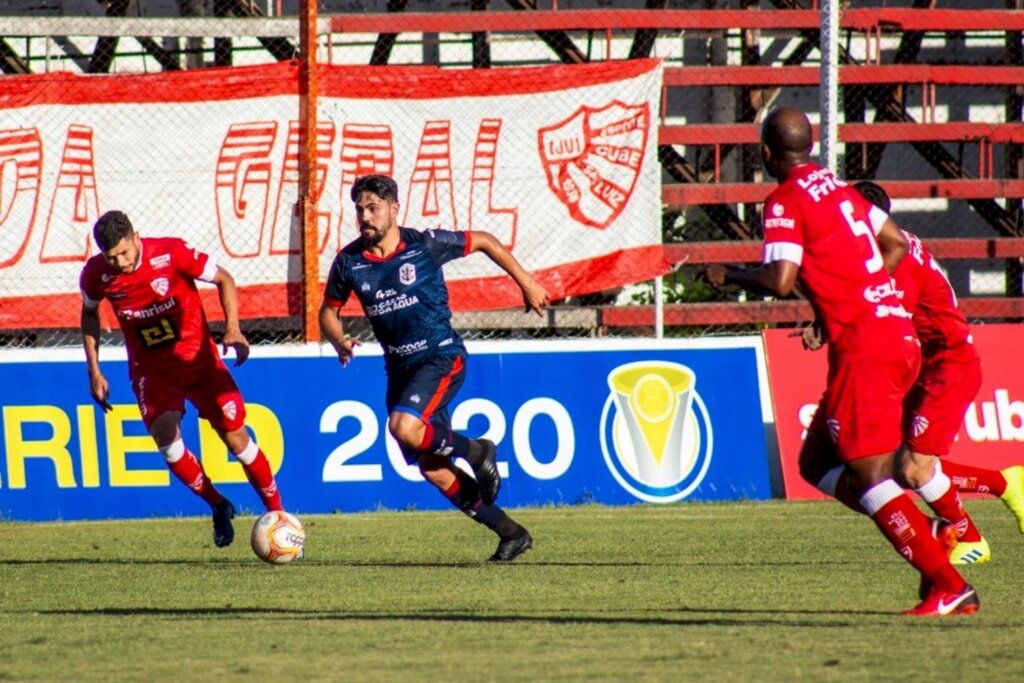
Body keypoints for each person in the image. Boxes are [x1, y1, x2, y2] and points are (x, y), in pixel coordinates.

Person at [703, 108, 978, 615]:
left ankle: (948, 583)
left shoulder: (784, 200)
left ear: (765, 152)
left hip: (867, 345)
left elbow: (780, 279)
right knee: (816, 462)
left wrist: (730, 275)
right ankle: (920, 535)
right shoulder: (838, 188)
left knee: (872, 476)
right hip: (892, 333)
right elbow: (893, 242)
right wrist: (865, 295)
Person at [319, 175, 550, 562]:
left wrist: (524, 281)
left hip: (441, 356)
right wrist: (338, 339)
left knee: (403, 427)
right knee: (433, 467)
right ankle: (511, 533)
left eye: (373, 207)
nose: (365, 216)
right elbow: (328, 311)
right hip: (400, 370)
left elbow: (485, 241)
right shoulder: (350, 262)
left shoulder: (423, 244)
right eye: (359, 208)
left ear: (395, 209)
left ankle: (478, 452)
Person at [800, 181, 1024, 566]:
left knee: (914, 470)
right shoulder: (889, 247)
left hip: (946, 366)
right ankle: (1002, 486)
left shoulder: (895, 260)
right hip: (919, 364)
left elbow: (868, 311)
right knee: (890, 467)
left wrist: (823, 324)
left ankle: (969, 536)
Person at [80, 210, 284, 548]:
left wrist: (232, 327)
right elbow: (88, 314)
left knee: (236, 440)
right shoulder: (96, 274)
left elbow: (224, 279)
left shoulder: (171, 253)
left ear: (136, 237)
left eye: (124, 253)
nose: (119, 263)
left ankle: (278, 515)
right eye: (111, 257)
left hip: (199, 362)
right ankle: (218, 505)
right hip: (153, 371)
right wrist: (94, 370)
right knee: (168, 441)